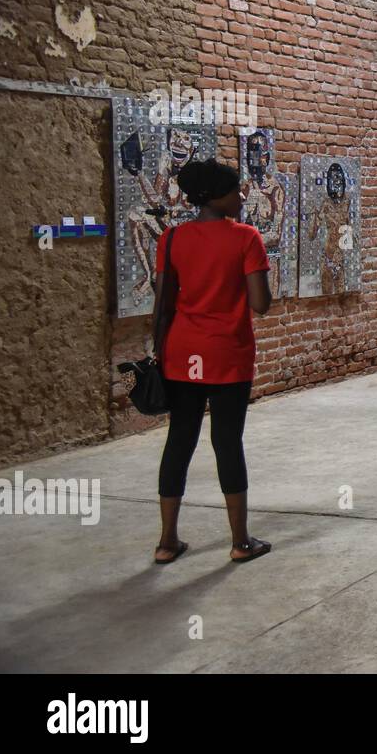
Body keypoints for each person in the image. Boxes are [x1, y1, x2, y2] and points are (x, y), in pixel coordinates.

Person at [151, 158, 274, 565]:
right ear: (213, 196)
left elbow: (163, 307)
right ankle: (240, 542)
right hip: (227, 353)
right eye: (235, 190)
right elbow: (260, 305)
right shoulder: (246, 238)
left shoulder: (170, 239)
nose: (241, 196)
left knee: (179, 440)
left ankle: (167, 542)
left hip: (182, 354)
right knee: (226, 441)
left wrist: (161, 351)